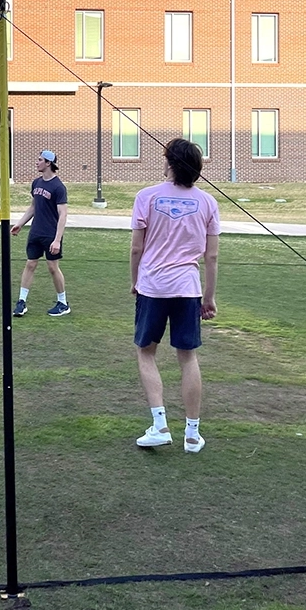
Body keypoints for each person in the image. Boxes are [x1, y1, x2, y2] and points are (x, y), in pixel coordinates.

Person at [130, 138, 220, 454]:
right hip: (187, 288)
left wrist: (135, 281)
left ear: (169, 163)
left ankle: (160, 426)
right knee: (188, 357)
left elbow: (136, 248)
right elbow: (211, 257)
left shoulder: (146, 197)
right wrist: (208, 297)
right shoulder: (208, 202)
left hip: (153, 286)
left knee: (146, 352)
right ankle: (191, 435)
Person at [11, 149, 70, 317]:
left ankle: (63, 303)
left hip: (51, 235)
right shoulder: (36, 183)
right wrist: (20, 224)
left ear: (48, 163)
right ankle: (21, 302)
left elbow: (63, 214)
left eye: (39, 160)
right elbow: (33, 207)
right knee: (30, 264)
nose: (37, 162)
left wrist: (57, 240)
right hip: (36, 232)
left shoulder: (58, 187)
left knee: (53, 267)